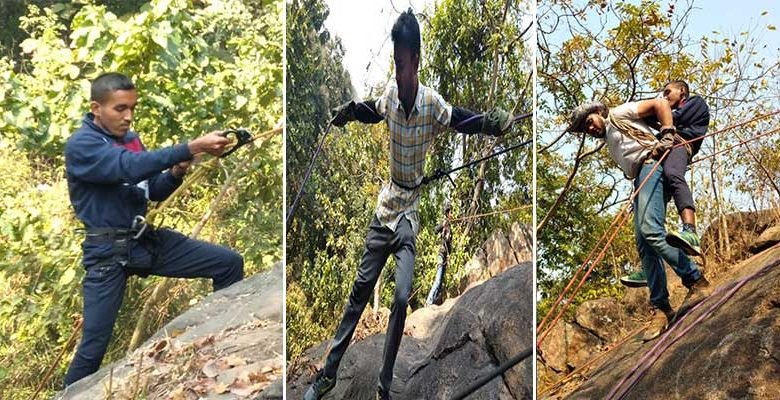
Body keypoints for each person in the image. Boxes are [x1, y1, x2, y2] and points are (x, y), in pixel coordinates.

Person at [304, 9, 513, 400]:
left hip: (407, 215)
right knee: (359, 294)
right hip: (383, 210)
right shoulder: (390, 95)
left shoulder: (431, 103)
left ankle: (384, 386)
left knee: (401, 297)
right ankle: (328, 375)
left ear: (415, 61)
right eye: (395, 64)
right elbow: (372, 110)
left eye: (402, 64)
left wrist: (490, 122)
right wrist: (348, 112)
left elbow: (460, 120)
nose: (398, 73)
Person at [63, 72, 245, 386]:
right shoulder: (83, 145)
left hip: (143, 240)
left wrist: (176, 171)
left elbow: (152, 189)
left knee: (228, 263)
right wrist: (189, 147)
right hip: (107, 252)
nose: (128, 116)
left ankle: (223, 349)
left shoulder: (130, 140)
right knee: (93, 346)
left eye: (132, 108)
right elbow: (128, 167)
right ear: (96, 108)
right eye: (120, 109)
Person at [567, 95, 711, 342]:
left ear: (598, 112)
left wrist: (667, 134)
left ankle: (695, 279)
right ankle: (661, 308)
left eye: (589, 122)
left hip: (651, 165)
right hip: (641, 177)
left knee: (650, 230)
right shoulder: (610, 136)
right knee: (644, 244)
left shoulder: (618, 114)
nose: (589, 128)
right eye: (584, 129)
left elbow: (659, 104)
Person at [620, 80, 710, 287]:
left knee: (673, 174)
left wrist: (655, 114)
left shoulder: (696, 103)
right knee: (645, 217)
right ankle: (649, 268)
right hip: (663, 151)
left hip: (680, 146)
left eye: (668, 92)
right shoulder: (670, 111)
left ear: (682, 91)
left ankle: (690, 230)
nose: (665, 96)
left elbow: (674, 118)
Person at [425, 202, 453, 306]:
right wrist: (442, 224)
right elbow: (435, 230)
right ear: (447, 213)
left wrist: (449, 255)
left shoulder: (449, 227)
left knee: (440, 281)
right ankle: (429, 301)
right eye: (451, 212)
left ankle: (434, 302)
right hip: (441, 254)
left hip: (445, 256)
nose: (452, 214)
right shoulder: (444, 223)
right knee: (437, 279)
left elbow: (449, 243)